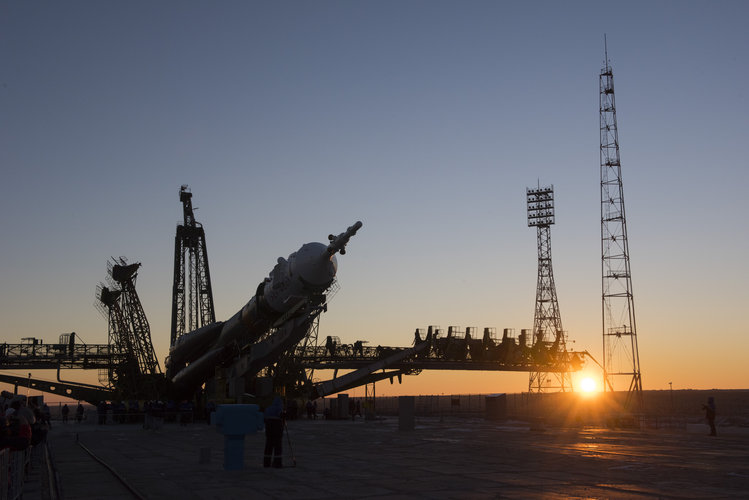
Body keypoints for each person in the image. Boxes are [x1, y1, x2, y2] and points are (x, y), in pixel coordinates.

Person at [263, 396, 285, 468]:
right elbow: (281, 415)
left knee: (268, 446)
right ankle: (277, 463)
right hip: (277, 430)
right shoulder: (279, 408)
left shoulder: (268, 408)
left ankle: (266, 463)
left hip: (269, 430)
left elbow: (264, 418)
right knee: (277, 447)